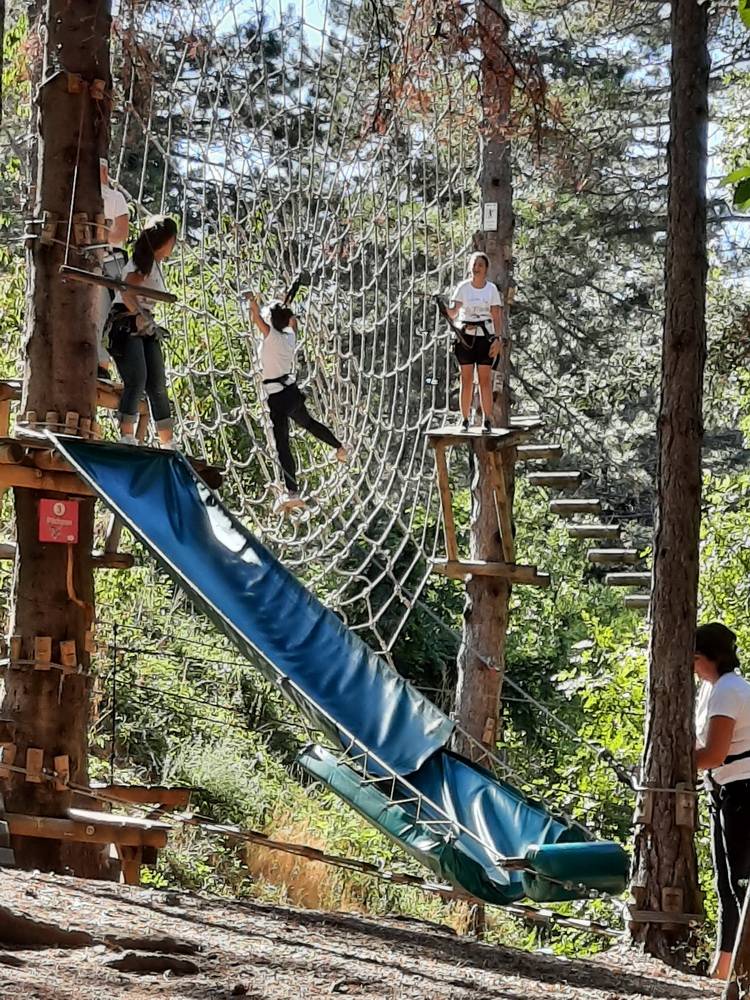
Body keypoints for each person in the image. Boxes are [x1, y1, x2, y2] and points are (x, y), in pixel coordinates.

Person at [246, 294, 346, 508]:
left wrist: (253, 303)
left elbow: (257, 319)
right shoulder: (289, 337)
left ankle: (292, 492)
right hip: (291, 393)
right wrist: (285, 308)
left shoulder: (271, 336)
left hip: (277, 398)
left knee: (283, 443)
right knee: (309, 423)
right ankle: (339, 447)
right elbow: (291, 322)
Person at [694, 622, 750, 980]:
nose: (693, 668)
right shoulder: (711, 689)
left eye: (695, 660)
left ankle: (738, 969)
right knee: (726, 884)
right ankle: (724, 967)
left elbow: (713, 753)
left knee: (739, 882)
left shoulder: (729, 690)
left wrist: (669, 763)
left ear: (706, 657)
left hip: (742, 792)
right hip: (724, 792)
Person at [107, 215, 178, 448]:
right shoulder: (142, 262)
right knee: (137, 378)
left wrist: (146, 320)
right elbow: (127, 291)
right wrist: (138, 315)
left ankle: (167, 441)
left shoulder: (155, 264)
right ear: (167, 240)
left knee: (157, 383)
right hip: (127, 320)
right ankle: (127, 435)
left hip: (144, 321)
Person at [444, 251, 504, 432]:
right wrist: (442, 306)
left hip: (485, 337)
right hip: (465, 337)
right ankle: (464, 419)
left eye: (480, 265)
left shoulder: (491, 289)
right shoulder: (463, 288)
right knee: (466, 378)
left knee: (485, 379)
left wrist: (498, 339)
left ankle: (487, 419)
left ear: (486, 269)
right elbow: (453, 313)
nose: (476, 268)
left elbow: (496, 315)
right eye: (474, 264)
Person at [96, 159, 130, 379]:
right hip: (88, 258)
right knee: (97, 312)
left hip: (111, 261)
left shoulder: (115, 198)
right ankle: (99, 362)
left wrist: (101, 234)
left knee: (111, 313)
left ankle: (106, 364)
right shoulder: (78, 194)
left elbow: (121, 232)